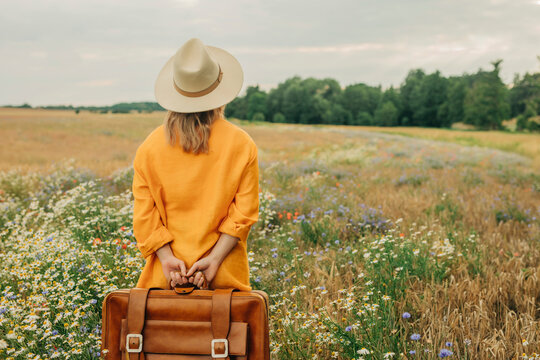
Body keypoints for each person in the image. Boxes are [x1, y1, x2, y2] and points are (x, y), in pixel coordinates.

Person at [132, 38, 259, 291]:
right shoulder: (242, 144)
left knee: (164, 331)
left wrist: (168, 261)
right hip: (224, 277)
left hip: (164, 279)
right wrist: (213, 259)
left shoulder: (149, 148)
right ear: (220, 92)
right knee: (227, 332)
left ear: (176, 91)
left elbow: (144, 217)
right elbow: (243, 215)